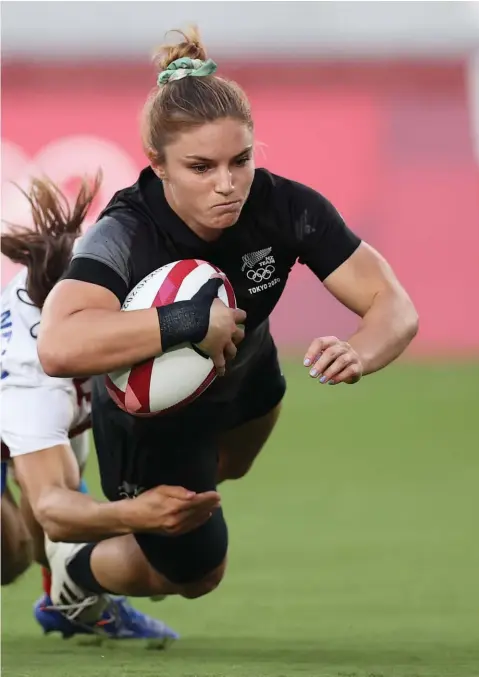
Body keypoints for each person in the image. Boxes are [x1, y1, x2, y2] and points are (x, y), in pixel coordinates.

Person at [37, 26, 419, 617]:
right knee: (196, 575)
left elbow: (393, 305)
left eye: (240, 160)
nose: (227, 184)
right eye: (200, 166)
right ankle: (75, 573)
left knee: (231, 466)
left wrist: (363, 351)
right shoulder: (126, 233)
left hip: (251, 384)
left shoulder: (284, 207)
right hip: (156, 418)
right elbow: (60, 346)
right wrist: (191, 319)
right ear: (158, 167)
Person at [0, 175, 178, 641]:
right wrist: (141, 521)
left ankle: (70, 605)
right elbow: (56, 510)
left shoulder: (82, 269)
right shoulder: (33, 387)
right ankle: (72, 594)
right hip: (17, 405)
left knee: (62, 480)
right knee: (11, 554)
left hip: (45, 402)